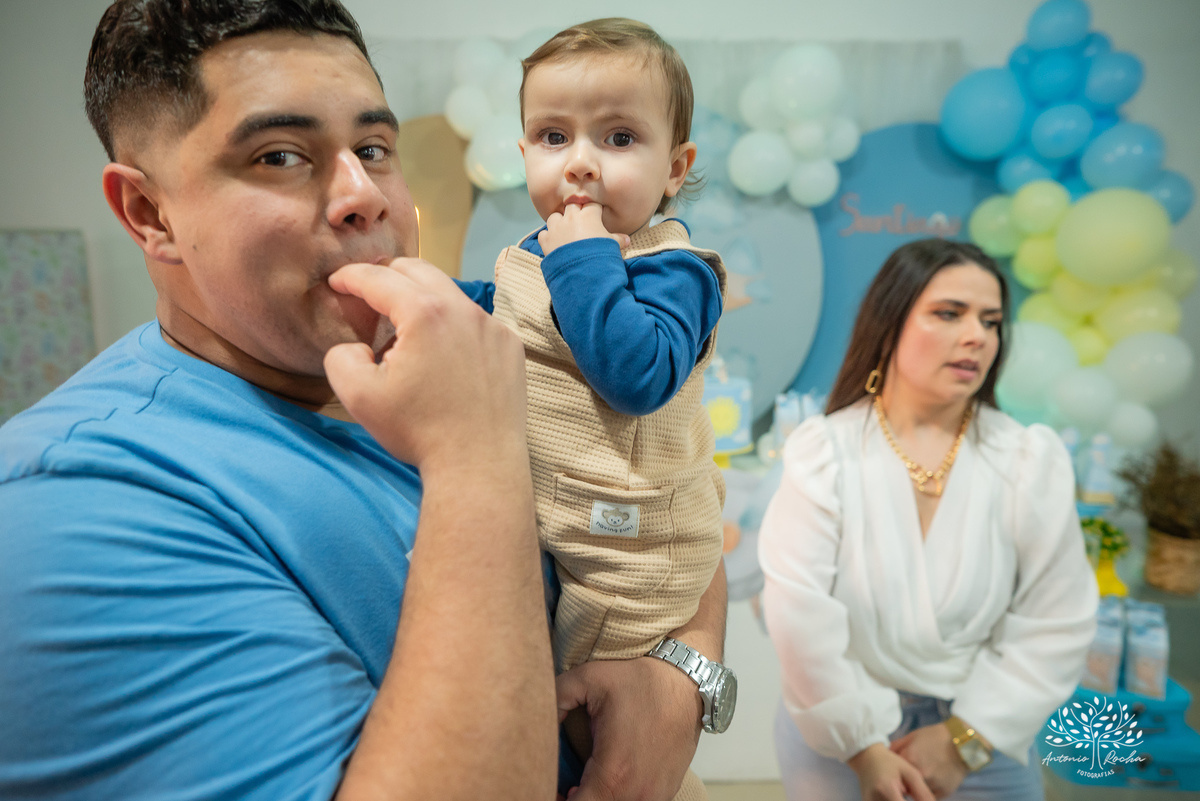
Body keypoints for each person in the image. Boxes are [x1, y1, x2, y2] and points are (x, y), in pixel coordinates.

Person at [0, 2, 725, 799]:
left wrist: (684, 676)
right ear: (150, 212)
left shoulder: (451, 337)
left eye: (374, 148)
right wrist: (473, 458)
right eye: (280, 156)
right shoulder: (72, 510)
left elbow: (665, 482)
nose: (364, 196)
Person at [453, 19, 733, 800]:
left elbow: (636, 371)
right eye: (551, 136)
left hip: (634, 552)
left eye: (617, 137)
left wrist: (584, 257)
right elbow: (507, 317)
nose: (578, 162)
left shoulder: (676, 271)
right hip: (575, 529)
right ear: (522, 155)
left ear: (675, 168)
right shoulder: (539, 259)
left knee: (599, 729)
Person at [758, 239, 1098, 801]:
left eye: (991, 322)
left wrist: (966, 740)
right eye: (948, 314)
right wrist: (864, 750)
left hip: (985, 735)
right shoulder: (825, 453)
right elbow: (800, 619)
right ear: (890, 323)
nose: (977, 337)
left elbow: (1056, 620)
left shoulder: (1026, 460)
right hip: (839, 734)